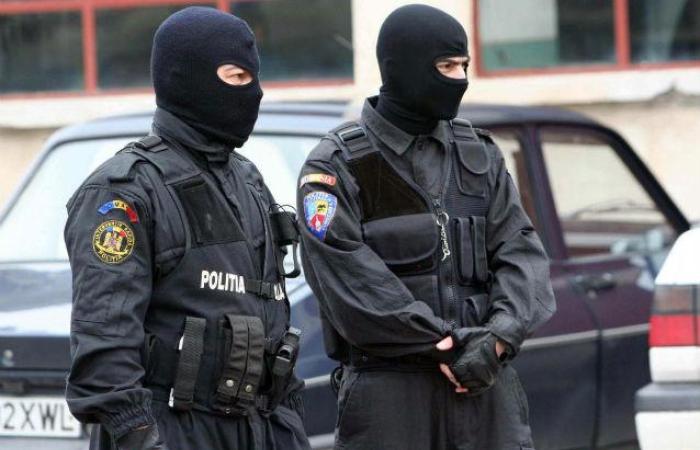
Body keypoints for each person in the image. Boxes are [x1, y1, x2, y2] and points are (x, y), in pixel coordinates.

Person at [297, 4, 556, 450]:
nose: (460, 79)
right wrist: (445, 344)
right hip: (391, 398)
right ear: (405, 67)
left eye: (463, 66)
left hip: (485, 385)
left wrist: (497, 338)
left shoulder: (479, 155)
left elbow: (522, 254)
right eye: (446, 66)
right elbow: (351, 284)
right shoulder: (336, 167)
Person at [64, 7, 310, 450]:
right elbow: (104, 349)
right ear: (187, 77)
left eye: (254, 78)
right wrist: (140, 436)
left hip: (259, 428)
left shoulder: (247, 180)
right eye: (236, 77)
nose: (253, 91)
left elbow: (271, 318)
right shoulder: (125, 191)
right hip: (172, 428)